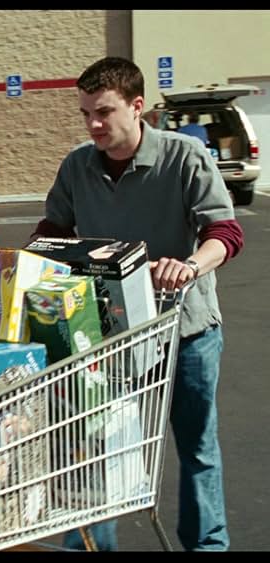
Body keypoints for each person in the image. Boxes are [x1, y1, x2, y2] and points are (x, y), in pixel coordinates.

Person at [32, 56, 243, 552]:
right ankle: (90, 547)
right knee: (101, 446)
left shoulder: (184, 156)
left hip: (185, 330)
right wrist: (27, 262)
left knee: (197, 449)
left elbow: (225, 232)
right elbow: (53, 232)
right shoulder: (77, 166)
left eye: (103, 112)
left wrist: (188, 266)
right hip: (112, 335)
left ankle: (208, 545)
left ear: (138, 106)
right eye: (85, 114)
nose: (94, 124)